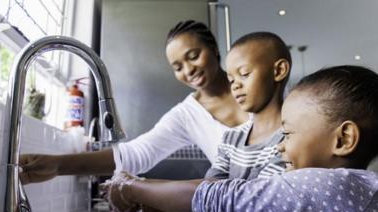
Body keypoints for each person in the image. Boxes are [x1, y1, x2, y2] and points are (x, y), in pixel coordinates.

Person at [103, 56, 378, 212]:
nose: (280, 148)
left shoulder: (332, 185)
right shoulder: (347, 189)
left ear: (342, 140)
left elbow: (226, 200)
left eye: (288, 134)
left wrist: (130, 186)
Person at [103, 31, 292, 212]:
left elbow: (245, 205)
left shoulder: (292, 139)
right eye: (232, 79)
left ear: (278, 70)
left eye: (244, 74)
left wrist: (134, 187)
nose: (236, 86)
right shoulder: (232, 139)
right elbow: (211, 199)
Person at [19, 20, 247, 183]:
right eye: (177, 67)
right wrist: (58, 165)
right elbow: (136, 154)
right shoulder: (186, 115)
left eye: (194, 56)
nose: (188, 70)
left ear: (214, 50)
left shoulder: (252, 82)